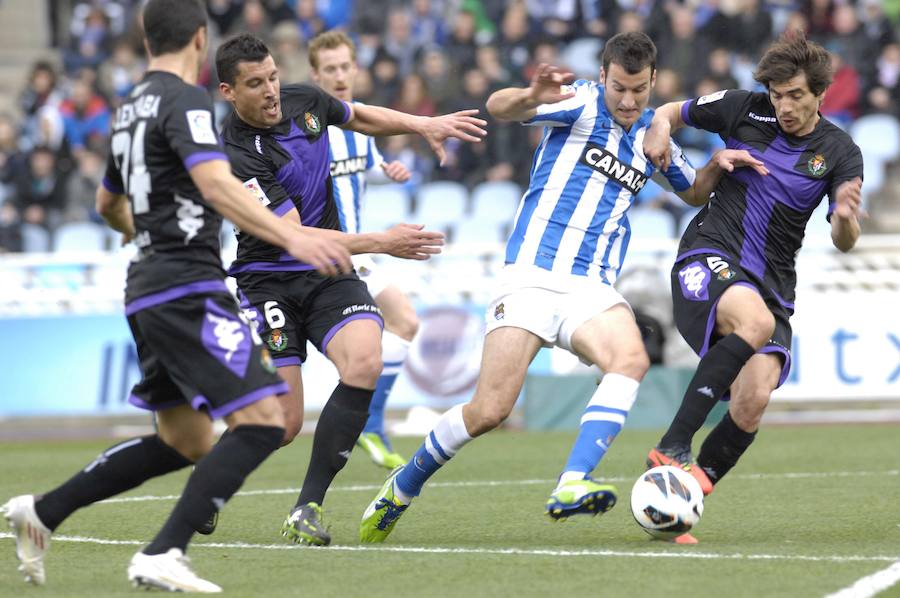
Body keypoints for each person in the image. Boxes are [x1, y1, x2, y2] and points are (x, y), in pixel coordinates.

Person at [358, 31, 767, 544]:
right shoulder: (579, 103)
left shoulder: (651, 135)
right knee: (489, 410)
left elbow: (692, 192)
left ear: (653, 82)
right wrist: (531, 97)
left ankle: (572, 481)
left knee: (631, 358)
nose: (627, 99)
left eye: (639, 90)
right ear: (602, 77)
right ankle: (404, 485)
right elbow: (498, 106)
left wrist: (716, 164)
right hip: (530, 273)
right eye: (619, 86)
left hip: (589, 287)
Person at [1, 0, 351, 592]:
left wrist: (150, 231)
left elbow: (108, 206)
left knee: (184, 440)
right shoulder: (183, 98)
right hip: (187, 287)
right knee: (266, 420)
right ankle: (164, 551)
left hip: (144, 286)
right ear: (197, 37)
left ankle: (44, 511)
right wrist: (294, 236)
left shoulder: (127, 109)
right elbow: (216, 183)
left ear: (144, 39)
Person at [214, 33, 487, 547]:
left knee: (364, 361)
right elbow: (294, 236)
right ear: (229, 92)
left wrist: (421, 123)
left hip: (329, 270)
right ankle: (211, 483)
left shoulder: (304, 99)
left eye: (272, 76)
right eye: (256, 84)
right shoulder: (235, 155)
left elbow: (359, 116)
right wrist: (382, 242)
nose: (271, 91)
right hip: (268, 280)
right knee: (284, 423)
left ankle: (307, 508)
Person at [641, 32, 863, 512]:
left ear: (820, 92)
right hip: (708, 254)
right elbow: (669, 112)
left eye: (797, 96)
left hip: (773, 285)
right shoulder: (744, 107)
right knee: (754, 323)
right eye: (778, 95)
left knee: (753, 399)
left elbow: (845, 242)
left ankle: (686, 494)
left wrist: (845, 218)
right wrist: (658, 125)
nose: (784, 105)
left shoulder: (840, 151)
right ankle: (672, 443)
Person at [309, 30, 418, 471]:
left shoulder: (359, 126)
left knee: (405, 323)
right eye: (329, 69)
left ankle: (370, 424)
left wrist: (386, 170)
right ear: (315, 75)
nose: (339, 75)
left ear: (356, 69)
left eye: (344, 66)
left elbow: (364, 169)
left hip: (359, 254)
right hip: (323, 255)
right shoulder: (308, 131)